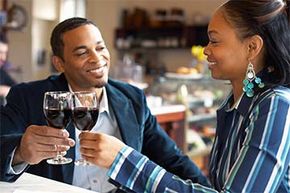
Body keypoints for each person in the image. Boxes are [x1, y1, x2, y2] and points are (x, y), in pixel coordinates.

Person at [79, 0, 290, 192]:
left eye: (214, 41)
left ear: (252, 47)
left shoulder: (276, 104)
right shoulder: (234, 103)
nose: (205, 50)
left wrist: (123, 161)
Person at [0, 17, 209, 192]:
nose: (97, 58)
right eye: (82, 53)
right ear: (59, 63)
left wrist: (208, 189)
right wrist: (20, 152)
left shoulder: (132, 98)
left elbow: (173, 160)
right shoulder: (29, 96)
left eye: (100, 48)